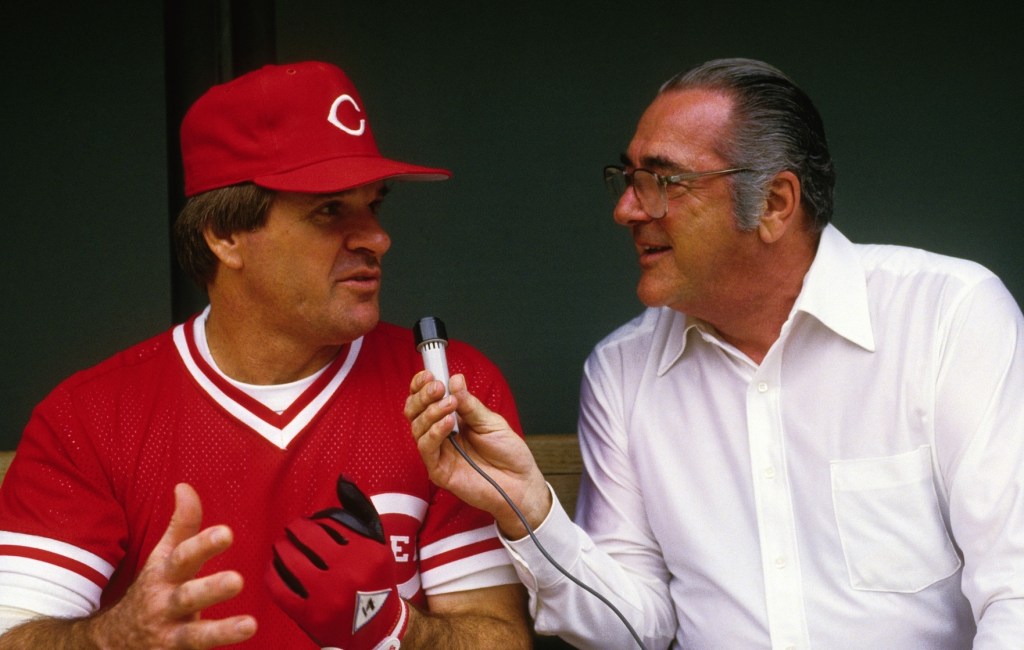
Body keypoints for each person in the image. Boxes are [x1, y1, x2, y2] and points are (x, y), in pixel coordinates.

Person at [405, 57, 1024, 648]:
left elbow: (1015, 589)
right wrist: (530, 509)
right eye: (627, 179)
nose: (626, 209)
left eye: (663, 180)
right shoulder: (622, 371)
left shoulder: (948, 316)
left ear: (776, 204)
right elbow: (635, 628)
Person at [0, 61, 530, 649]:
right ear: (225, 235)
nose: (377, 238)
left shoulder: (443, 386)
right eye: (330, 210)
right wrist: (113, 639)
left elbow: (498, 639)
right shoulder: (93, 417)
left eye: (374, 205)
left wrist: (392, 625)